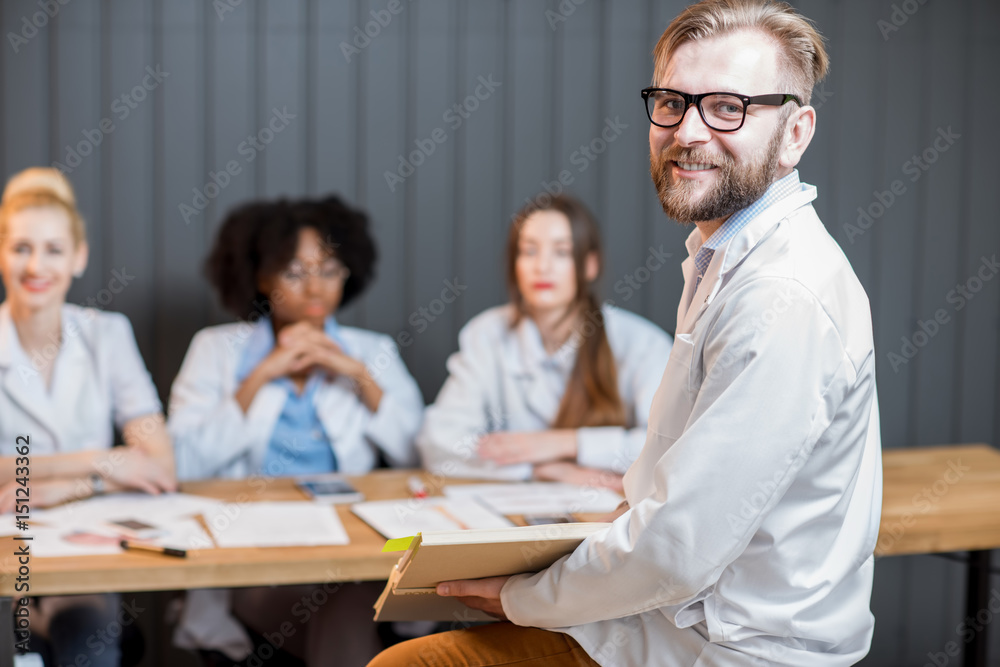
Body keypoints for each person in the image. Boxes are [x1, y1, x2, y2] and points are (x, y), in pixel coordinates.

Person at [369, 1, 882, 665]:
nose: (689, 130)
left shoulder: (780, 296)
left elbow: (677, 546)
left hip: (732, 649)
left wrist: (521, 595)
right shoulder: (720, 261)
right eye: (672, 102)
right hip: (673, 618)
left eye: (728, 106)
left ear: (795, 133)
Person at [168, 195, 424, 667]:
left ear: (349, 274)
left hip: (353, 552)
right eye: (293, 272)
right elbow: (181, 463)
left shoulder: (374, 350)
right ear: (262, 277)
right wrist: (263, 374)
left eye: (329, 270)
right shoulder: (216, 351)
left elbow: (421, 454)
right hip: (255, 560)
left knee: (348, 597)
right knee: (346, 613)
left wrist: (359, 375)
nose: (314, 288)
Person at [0, 167, 176, 666]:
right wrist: (105, 460)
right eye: (21, 248)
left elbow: (160, 467)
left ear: (79, 257)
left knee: (88, 635)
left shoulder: (108, 336)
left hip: (82, 556)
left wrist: (66, 485)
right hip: (6, 555)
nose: (37, 265)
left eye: (54, 249)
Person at [416, 194, 672, 491]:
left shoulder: (642, 343)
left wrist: (563, 444)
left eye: (561, 252)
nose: (542, 267)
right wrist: (539, 469)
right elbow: (438, 442)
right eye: (529, 251)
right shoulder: (486, 334)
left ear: (590, 265)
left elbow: (667, 447)